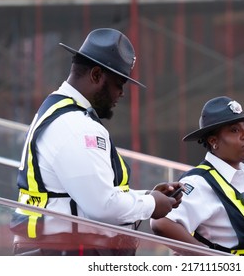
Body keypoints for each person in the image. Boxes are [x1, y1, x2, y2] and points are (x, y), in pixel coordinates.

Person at [10, 28, 182, 256]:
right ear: (96, 75)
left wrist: (146, 196)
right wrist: (151, 205)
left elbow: (83, 194)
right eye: (119, 83)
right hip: (65, 254)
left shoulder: (58, 112)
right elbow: (103, 206)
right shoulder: (77, 125)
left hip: (49, 250)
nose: (121, 93)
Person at [151, 96, 244, 256]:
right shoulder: (199, 182)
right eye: (234, 130)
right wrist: (209, 259)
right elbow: (162, 222)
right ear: (213, 141)